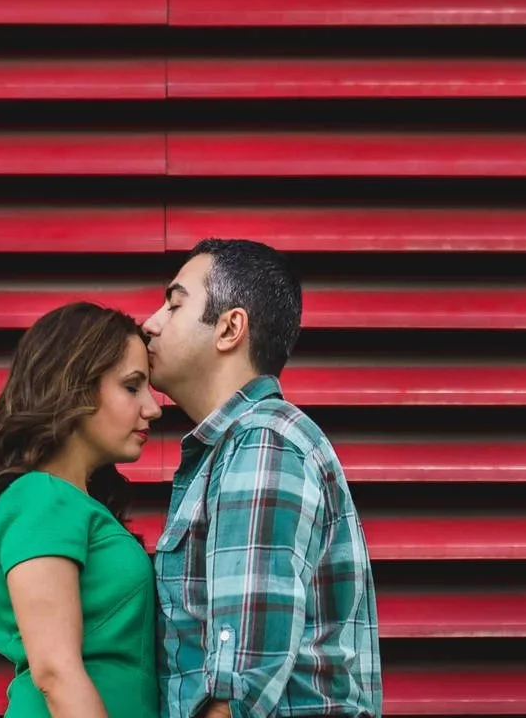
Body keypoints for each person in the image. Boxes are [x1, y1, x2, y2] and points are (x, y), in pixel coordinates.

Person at [140, 238, 381, 718]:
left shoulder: (260, 442)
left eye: (174, 304)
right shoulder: (241, 445)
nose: (150, 322)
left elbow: (239, 681)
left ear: (230, 328)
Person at [0, 302, 166, 718]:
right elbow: (55, 672)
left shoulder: (68, 502)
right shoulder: (41, 499)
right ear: (76, 388)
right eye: (131, 386)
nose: (153, 407)